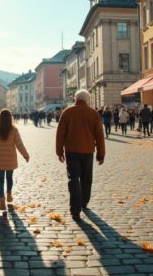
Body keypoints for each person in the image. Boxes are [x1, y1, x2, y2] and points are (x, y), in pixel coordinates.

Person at [55, 89, 105, 219]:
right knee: (86, 178)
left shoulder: (67, 112)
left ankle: (75, 208)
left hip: (71, 150)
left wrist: (59, 151)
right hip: (88, 151)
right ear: (87, 100)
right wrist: (101, 154)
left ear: (75, 99)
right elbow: (99, 136)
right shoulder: (93, 113)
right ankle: (84, 201)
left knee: (73, 178)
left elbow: (60, 134)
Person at [0, 109, 30, 211]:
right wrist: (25, 155)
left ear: (0, 118)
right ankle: (9, 193)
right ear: (10, 117)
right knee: (9, 178)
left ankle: (2, 199)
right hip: (10, 159)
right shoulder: (14, 130)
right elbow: (19, 144)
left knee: (1, 180)